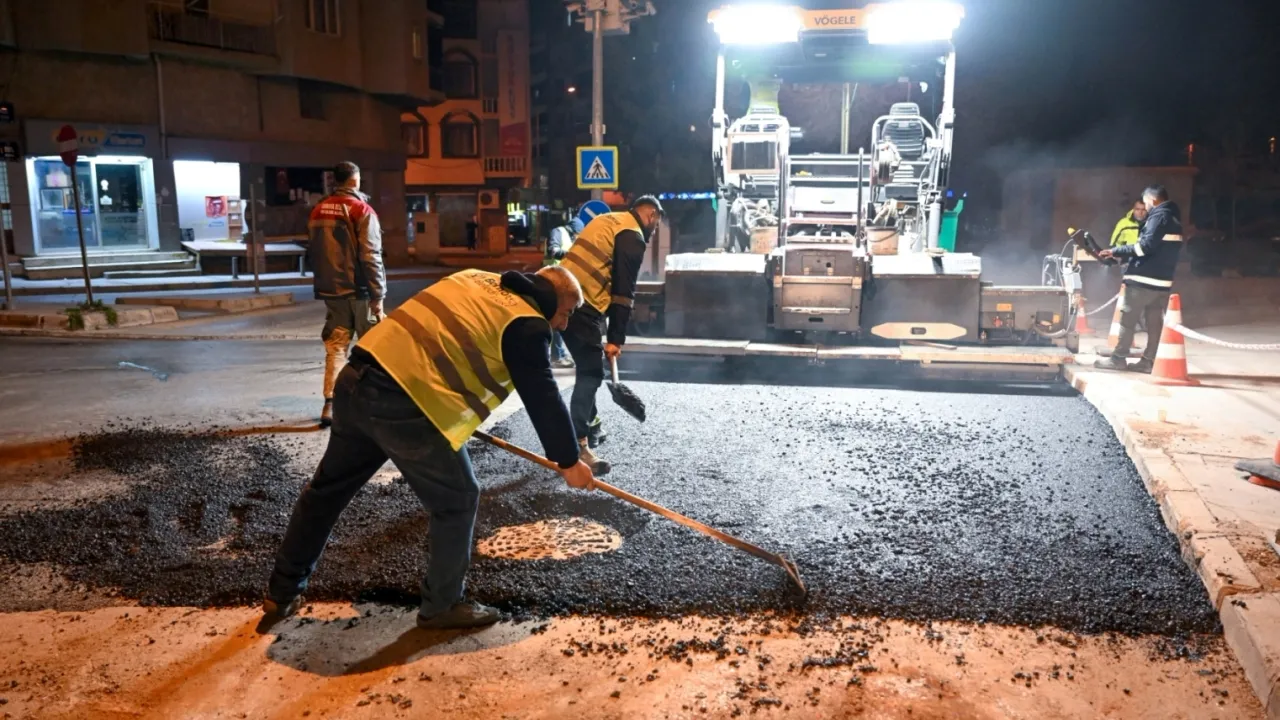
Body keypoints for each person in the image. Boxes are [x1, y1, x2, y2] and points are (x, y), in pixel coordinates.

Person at [262, 266, 597, 630]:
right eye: (565, 313)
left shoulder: (474, 277)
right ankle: (443, 605)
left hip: (357, 379)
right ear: (549, 299)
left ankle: (282, 591)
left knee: (326, 492)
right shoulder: (527, 325)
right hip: (405, 406)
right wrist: (569, 462)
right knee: (458, 499)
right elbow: (543, 395)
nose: (563, 324)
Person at [559, 196, 664, 474]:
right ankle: (578, 446)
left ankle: (592, 425)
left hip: (559, 298)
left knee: (587, 366)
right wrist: (616, 338)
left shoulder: (607, 220)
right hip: (581, 306)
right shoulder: (632, 236)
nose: (654, 230)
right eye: (656, 224)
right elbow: (623, 292)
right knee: (592, 373)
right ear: (651, 215)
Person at [309, 161, 386, 428]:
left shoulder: (318, 210)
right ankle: (373, 406)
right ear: (355, 180)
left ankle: (330, 404)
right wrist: (378, 294)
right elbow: (370, 255)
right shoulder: (361, 210)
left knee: (336, 346)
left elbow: (315, 250)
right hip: (360, 290)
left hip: (332, 290)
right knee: (374, 348)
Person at [1095, 185, 1185, 373]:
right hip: (1162, 281)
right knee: (1154, 323)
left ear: (1152, 200)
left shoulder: (1159, 216)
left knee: (1128, 321)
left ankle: (1118, 359)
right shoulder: (1174, 218)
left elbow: (1145, 247)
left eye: (1146, 202)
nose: (1145, 207)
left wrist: (1116, 251)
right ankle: (1148, 361)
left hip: (1143, 279)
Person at [545, 217, 585, 369]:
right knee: (557, 318)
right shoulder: (558, 232)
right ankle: (557, 356)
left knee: (562, 319)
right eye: (577, 234)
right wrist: (572, 255)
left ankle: (559, 354)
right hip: (552, 280)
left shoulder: (571, 237)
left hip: (563, 282)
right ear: (573, 230)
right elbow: (553, 251)